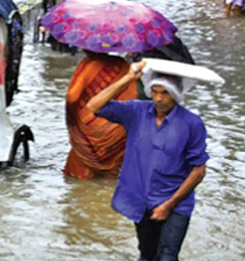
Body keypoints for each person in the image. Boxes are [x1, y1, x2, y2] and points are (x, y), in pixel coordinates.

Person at [86, 60, 209, 261]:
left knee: (168, 255)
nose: (159, 98)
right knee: (147, 253)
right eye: (155, 92)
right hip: (142, 200)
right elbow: (94, 106)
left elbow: (198, 171)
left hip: (175, 202)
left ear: (176, 94)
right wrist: (128, 78)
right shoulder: (137, 112)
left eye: (165, 93)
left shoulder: (192, 123)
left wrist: (168, 205)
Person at [63, 52, 137, 179]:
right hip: (117, 130)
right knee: (113, 174)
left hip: (88, 132)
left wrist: (73, 116)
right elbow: (133, 95)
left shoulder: (88, 65)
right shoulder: (123, 65)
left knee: (80, 178)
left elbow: (72, 97)